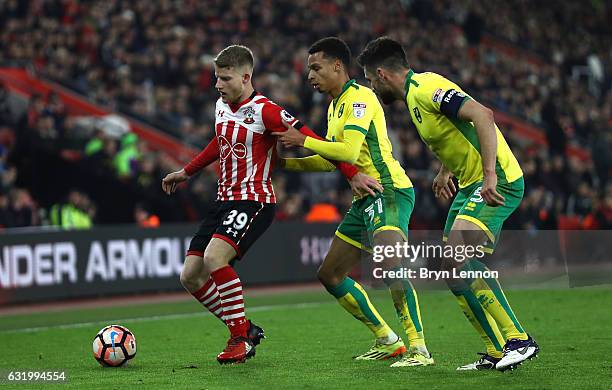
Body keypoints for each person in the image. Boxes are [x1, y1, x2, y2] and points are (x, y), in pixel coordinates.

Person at [161, 45, 379, 365]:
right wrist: (186, 172)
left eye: (224, 78)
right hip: (224, 200)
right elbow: (219, 142)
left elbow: (309, 135)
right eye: (216, 79)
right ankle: (244, 328)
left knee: (214, 258)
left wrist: (352, 173)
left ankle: (239, 338)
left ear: (245, 76)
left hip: (254, 201)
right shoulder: (221, 106)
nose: (217, 85)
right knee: (190, 276)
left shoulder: (267, 111)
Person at [356, 37, 539, 371]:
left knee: (456, 257)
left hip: (496, 179)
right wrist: (445, 169)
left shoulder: (426, 87)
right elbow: (457, 131)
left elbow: (483, 116)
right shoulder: (414, 97)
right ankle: (497, 350)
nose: (370, 86)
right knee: (449, 266)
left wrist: (488, 175)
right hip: (467, 184)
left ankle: (519, 339)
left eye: (369, 79)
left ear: (381, 74)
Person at [274, 37, 433, 367]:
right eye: (308, 70)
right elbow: (332, 160)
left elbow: (346, 151)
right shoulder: (335, 106)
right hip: (365, 200)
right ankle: (387, 339)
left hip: (388, 189)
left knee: (391, 262)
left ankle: (419, 349)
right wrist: (285, 164)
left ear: (337, 66)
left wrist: (303, 139)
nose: (310, 76)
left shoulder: (360, 97)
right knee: (330, 273)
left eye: (315, 68)